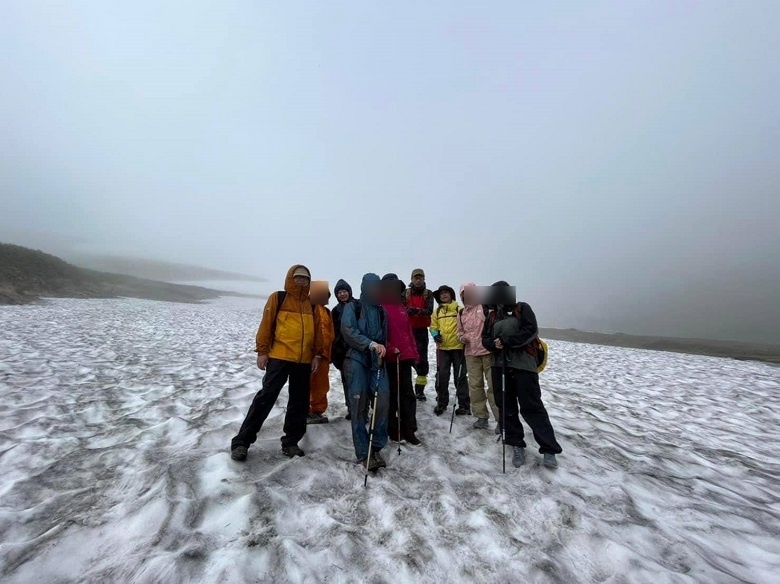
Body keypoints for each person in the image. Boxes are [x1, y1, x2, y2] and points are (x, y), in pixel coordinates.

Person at [230, 265, 325, 461]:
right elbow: (266, 324)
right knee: (265, 398)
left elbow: (318, 332)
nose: (301, 281)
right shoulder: (278, 297)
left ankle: (291, 442)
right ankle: (242, 442)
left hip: (304, 361)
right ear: (290, 278)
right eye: (297, 278)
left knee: (299, 404)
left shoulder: (313, 303)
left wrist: (316, 355)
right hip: (279, 357)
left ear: (309, 281)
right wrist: (262, 351)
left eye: (305, 279)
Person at [482, 281, 562, 469]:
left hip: (523, 365)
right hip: (498, 365)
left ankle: (549, 448)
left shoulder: (522, 308)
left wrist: (506, 341)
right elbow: (484, 338)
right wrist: (494, 344)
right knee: (506, 405)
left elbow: (531, 330)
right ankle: (515, 443)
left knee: (531, 405)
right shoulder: (491, 316)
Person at [341, 273, 389, 470]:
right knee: (358, 404)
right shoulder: (354, 306)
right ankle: (363, 452)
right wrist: (369, 344)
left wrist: (384, 348)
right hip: (356, 359)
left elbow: (384, 336)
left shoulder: (381, 311)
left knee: (383, 400)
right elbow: (348, 330)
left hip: (377, 361)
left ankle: (376, 446)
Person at [380, 273, 421, 445]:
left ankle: (409, 428)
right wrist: (389, 349)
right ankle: (393, 427)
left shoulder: (401, 307)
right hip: (389, 358)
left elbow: (408, 333)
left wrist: (415, 353)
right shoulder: (380, 308)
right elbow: (378, 334)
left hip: (404, 357)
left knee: (407, 394)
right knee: (391, 395)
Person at [457, 282, 500, 432]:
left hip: (488, 352)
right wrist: (462, 338)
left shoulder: (485, 307)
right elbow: (459, 332)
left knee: (494, 386)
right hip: (471, 354)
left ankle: (501, 419)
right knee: (475, 386)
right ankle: (481, 416)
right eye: (465, 294)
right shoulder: (462, 313)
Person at [430, 285, 469, 416]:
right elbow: (433, 326)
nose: (444, 295)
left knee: (460, 377)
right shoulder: (436, 312)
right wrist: (435, 335)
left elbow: (467, 325)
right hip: (442, 349)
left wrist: (464, 338)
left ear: (451, 295)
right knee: (442, 377)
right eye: (441, 294)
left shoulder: (460, 309)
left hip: (459, 348)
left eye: (446, 293)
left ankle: (464, 405)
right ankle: (441, 403)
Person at [308, 281, 335, 424]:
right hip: (310, 354)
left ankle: (317, 411)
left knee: (321, 384)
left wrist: (329, 354)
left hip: (324, 355)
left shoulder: (327, 312)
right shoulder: (308, 308)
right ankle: (304, 411)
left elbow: (331, 335)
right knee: (306, 383)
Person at [404, 269, 434, 401]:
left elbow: (429, 310)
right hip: (407, 331)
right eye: (416, 278)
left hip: (421, 331)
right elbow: (400, 308)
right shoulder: (405, 293)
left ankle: (420, 391)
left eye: (420, 278)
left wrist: (415, 311)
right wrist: (407, 310)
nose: (418, 280)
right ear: (411, 279)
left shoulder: (428, 294)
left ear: (424, 279)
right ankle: (406, 388)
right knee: (407, 360)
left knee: (422, 361)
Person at [331, 279, 356, 419]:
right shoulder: (335, 311)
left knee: (360, 382)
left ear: (349, 292)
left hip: (358, 351)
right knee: (346, 381)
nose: (342, 294)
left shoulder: (358, 306)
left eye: (344, 291)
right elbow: (333, 332)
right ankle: (351, 408)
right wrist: (336, 352)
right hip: (343, 352)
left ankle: (361, 408)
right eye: (339, 292)